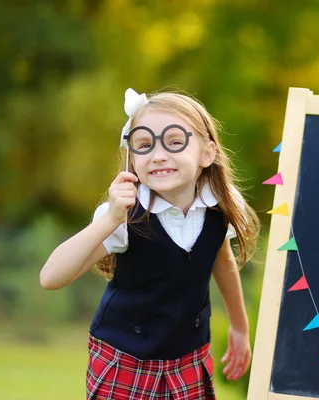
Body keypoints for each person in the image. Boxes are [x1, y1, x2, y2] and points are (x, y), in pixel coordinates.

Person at [40, 88, 260, 399]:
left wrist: (240, 326)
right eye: (144, 144)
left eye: (174, 142)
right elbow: (50, 278)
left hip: (189, 357)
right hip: (124, 360)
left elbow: (220, 260)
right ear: (132, 157)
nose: (158, 155)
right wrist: (109, 220)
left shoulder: (220, 205)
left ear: (207, 153)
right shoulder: (124, 215)